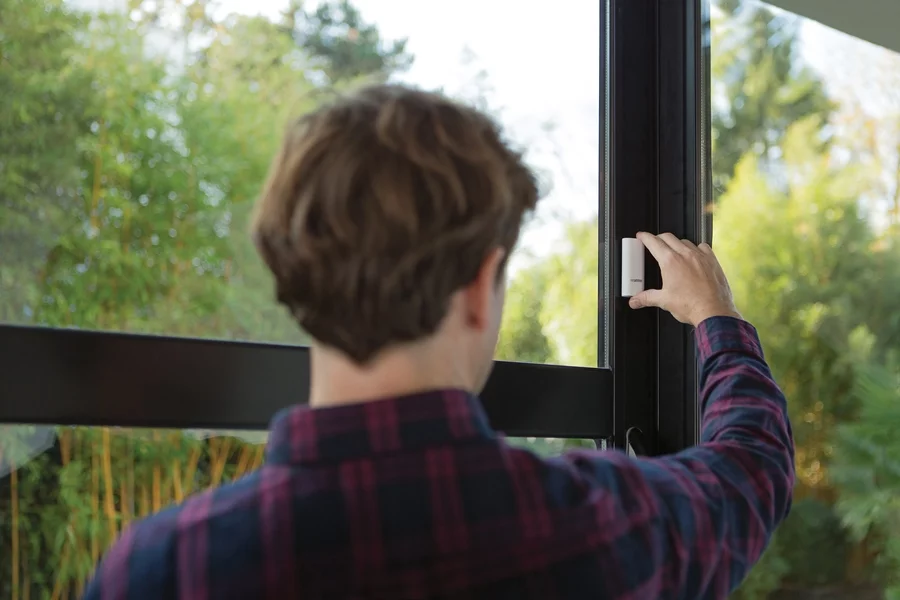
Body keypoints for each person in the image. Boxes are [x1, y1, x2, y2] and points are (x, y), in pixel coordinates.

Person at [83, 84, 794, 599]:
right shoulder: (601, 524)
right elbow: (752, 469)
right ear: (481, 286)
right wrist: (715, 319)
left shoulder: (164, 568)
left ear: (289, 274)